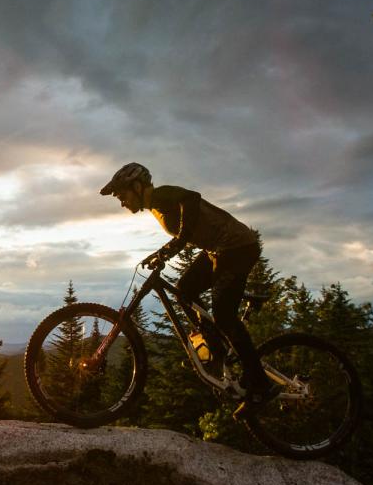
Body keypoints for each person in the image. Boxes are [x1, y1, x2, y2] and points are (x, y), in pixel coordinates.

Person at [99, 162, 277, 409]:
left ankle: (259, 382)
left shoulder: (160, 195)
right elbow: (186, 230)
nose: (122, 203)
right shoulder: (155, 208)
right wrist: (163, 251)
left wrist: (179, 241)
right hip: (218, 250)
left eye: (122, 195)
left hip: (237, 247)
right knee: (185, 290)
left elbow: (192, 199)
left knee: (224, 316)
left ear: (138, 187)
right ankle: (214, 347)